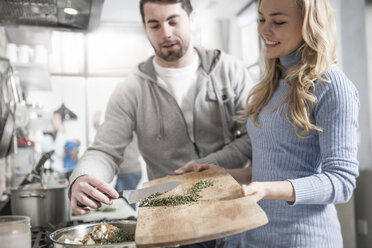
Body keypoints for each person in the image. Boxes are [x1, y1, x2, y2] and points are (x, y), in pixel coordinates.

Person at [175, 0, 360, 247]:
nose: (264, 30)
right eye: (261, 19)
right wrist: (220, 175)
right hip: (256, 235)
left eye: (279, 22)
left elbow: (341, 182)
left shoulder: (331, 84)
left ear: (310, 26)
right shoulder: (271, 84)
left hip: (304, 239)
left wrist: (266, 190)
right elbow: (273, 170)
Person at [69, 0, 253, 247]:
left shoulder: (230, 70)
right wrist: (83, 177)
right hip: (171, 222)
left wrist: (209, 165)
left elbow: (254, 136)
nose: (165, 33)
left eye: (173, 21)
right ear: (145, 27)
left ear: (192, 18)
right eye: (154, 24)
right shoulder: (130, 90)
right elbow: (104, 150)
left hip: (231, 213)